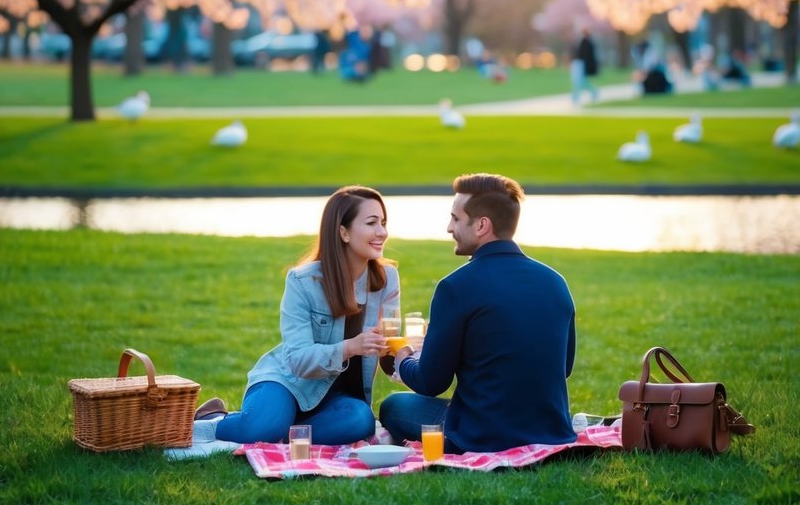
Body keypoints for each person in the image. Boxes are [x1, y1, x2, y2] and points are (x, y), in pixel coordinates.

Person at [379, 173, 576, 453]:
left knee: (393, 406)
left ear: (482, 225)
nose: (449, 228)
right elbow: (563, 368)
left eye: (456, 219)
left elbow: (431, 381)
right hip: (552, 431)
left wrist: (403, 359)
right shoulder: (556, 281)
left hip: (484, 435)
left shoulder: (456, 287)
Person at [195, 186, 399, 447]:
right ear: (343, 232)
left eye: (383, 223)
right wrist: (351, 347)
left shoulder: (387, 279)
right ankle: (214, 418)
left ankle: (282, 431)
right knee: (261, 428)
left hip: (338, 399)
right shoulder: (303, 281)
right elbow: (298, 360)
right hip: (289, 383)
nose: (382, 232)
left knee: (361, 421)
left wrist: (405, 351)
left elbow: (389, 347)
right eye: (372, 223)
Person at [569, 28, 600, 104]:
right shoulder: (582, 42)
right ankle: (593, 92)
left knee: (578, 81)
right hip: (578, 63)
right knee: (581, 81)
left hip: (581, 64)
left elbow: (587, 57)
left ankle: (576, 97)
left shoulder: (587, 43)